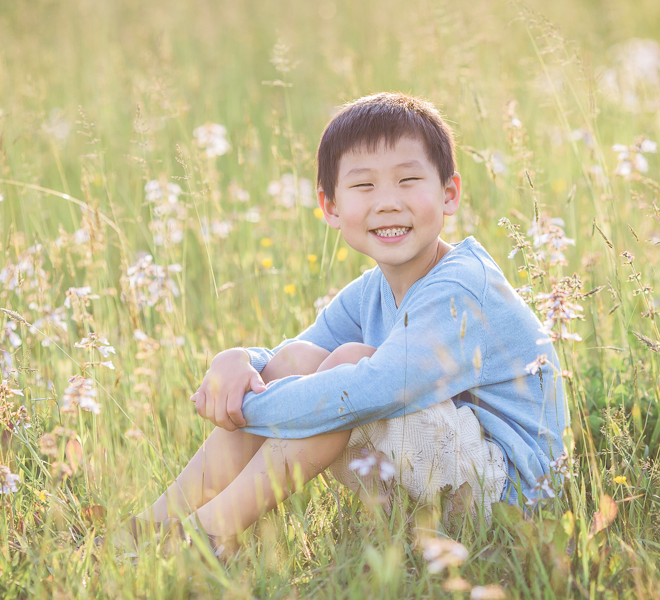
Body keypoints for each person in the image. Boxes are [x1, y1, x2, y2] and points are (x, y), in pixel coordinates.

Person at [123, 92, 569, 557]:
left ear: (449, 193)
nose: (388, 203)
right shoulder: (370, 290)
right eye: (364, 187)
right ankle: (153, 524)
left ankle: (210, 532)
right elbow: (295, 356)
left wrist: (246, 407)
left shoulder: (460, 288)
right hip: (447, 475)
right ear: (331, 206)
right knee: (304, 360)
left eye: (409, 180)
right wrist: (237, 364)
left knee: (349, 369)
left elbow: (366, 391)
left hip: (511, 501)